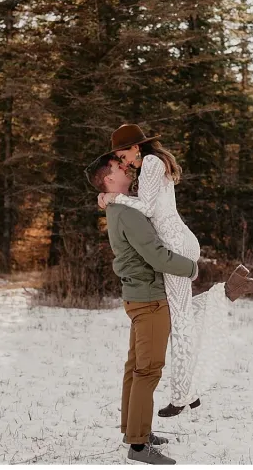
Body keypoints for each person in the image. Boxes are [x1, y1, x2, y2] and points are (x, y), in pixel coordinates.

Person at [96, 124, 253, 417]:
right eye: (120, 159)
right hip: (178, 242)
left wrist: (114, 198)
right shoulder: (152, 164)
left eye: (124, 155)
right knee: (181, 313)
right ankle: (229, 290)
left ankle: (182, 396)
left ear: (136, 147)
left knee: (180, 324)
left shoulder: (151, 163)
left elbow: (147, 208)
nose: (125, 162)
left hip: (176, 246)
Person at [88, 156, 196, 465]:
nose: (126, 168)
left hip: (140, 297)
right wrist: (191, 268)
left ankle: (134, 430)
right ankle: (138, 446)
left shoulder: (120, 208)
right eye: (118, 167)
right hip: (150, 300)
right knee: (147, 370)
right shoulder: (127, 214)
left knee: (135, 367)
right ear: (108, 179)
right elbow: (157, 256)